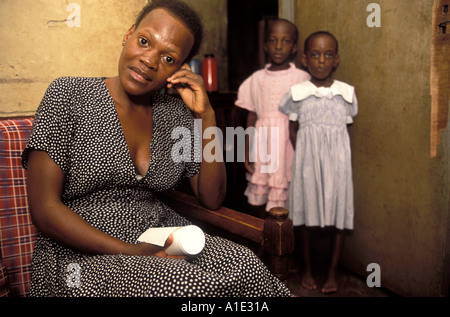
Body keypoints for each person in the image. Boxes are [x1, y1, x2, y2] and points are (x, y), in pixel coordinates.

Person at [22, 0, 291, 297]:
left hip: (159, 236)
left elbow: (212, 198)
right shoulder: (69, 95)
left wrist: (206, 116)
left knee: (246, 265)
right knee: (185, 284)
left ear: (179, 69)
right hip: (80, 254)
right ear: (128, 34)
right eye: (144, 41)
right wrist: (131, 252)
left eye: (169, 58)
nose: (150, 60)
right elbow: (44, 209)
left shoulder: (174, 114)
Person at [279, 31, 358, 294]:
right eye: (315, 55)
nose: (321, 61)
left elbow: (345, 130)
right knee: (305, 211)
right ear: (304, 58)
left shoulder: (346, 93)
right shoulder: (297, 93)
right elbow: (292, 128)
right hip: (307, 163)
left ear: (336, 59)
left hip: (338, 164)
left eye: (327, 55)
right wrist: (304, 154)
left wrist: (339, 160)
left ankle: (333, 272)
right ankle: (307, 268)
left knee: (339, 212)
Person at [234, 19, 310, 216]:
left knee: (287, 195)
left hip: (288, 145)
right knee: (261, 195)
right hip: (263, 145)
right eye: (273, 40)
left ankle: (287, 241)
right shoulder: (256, 79)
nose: (278, 46)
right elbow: (252, 116)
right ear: (266, 45)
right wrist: (247, 148)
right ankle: (264, 240)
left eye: (285, 41)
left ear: (294, 47)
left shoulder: (302, 78)